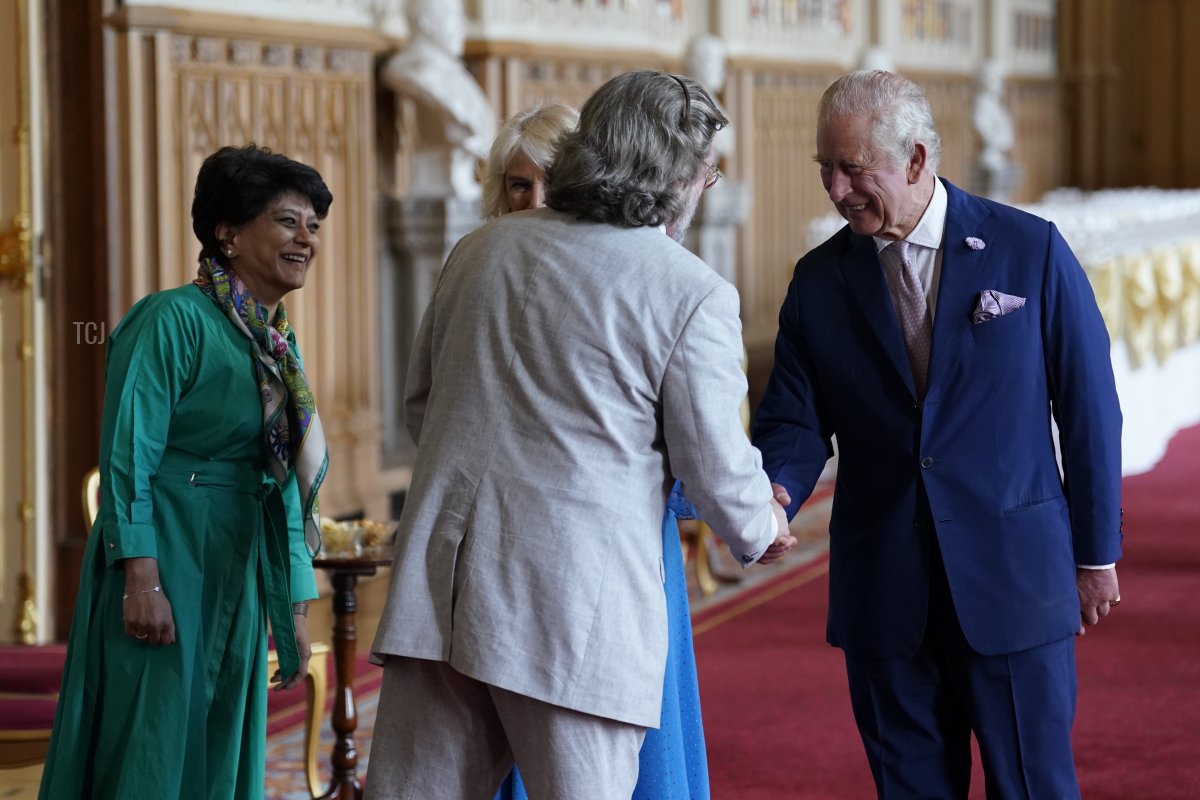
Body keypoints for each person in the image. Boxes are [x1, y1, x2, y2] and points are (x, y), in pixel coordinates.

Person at [364, 70, 795, 799]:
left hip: (443, 585)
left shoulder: (480, 249)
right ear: (677, 173)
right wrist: (764, 525)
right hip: (573, 609)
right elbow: (713, 462)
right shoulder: (689, 290)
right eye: (707, 170)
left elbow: (422, 404)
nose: (706, 187)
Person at [753, 69, 1123, 798]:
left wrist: (1096, 551)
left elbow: (1089, 408)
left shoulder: (1031, 251)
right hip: (884, 592)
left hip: (1015, 579)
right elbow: (795, 420)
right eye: (824, 168)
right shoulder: (818, 282)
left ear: (918, 159)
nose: (833, 189)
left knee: (1033, 786)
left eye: (853, 168)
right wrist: (773, 495)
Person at [39, 144, 331, 799]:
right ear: (227, 233)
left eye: (313, 225)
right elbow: (126, 455)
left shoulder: (275, 341)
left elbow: (279, 480)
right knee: (154, 737)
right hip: (168, 556)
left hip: (238, 560)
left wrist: (293, 597)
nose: (306, 239)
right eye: (288, 221)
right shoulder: (167, 319)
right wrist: (140, 575)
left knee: (222, 733)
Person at [481, 103, 712, 800]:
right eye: (518, 187)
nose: (535, 202)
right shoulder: (479, 266)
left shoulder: (646, 275)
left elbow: (691, 447)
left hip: (623, 544)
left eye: (549, 183)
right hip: (503, 545)